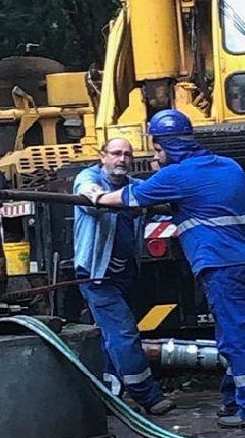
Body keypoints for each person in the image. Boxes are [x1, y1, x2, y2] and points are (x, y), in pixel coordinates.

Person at [92, 109, 245, 428]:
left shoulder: (175, 176)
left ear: (170, 146)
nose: (155, 156)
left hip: (223, 265)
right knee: (241, 334)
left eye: (157, 149)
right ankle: (235, 401)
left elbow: (129, 198)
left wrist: (97, 198)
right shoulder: (229, 166)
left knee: (239, 337)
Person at [72, 138, 173, 416]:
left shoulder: (134, 186)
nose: (122, 159)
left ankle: (109, 397)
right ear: (102, 156)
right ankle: (148, 397)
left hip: (124, 272)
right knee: (124, 333)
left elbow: (158, 202)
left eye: (127, 154)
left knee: (111, 338)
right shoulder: (89, 178)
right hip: (97, 274)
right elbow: (89, 197)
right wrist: (108, 198)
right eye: (116, 153)